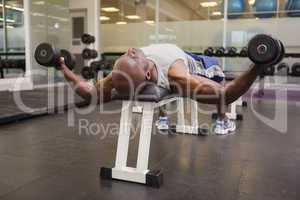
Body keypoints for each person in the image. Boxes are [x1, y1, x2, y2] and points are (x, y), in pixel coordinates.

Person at [59, 44, 261, 135]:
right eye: (132, 56)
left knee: (219, 81)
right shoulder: (175, 75)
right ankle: (222, 123)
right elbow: (89, 94)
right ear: (146, 74)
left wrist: (257, 65)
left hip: (185, 57)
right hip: (183, 65)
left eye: (129, 54)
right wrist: (63, 67)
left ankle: (221, 119)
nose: (131, 51)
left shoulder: (173, 72)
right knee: (217, 80)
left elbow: (227, 93)